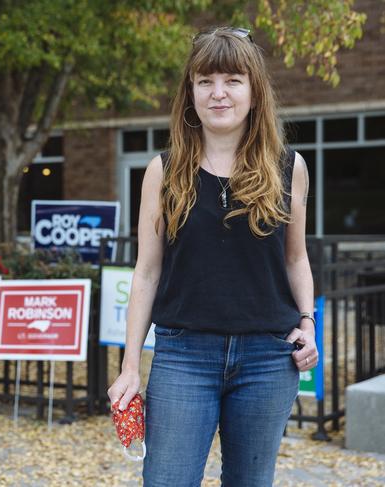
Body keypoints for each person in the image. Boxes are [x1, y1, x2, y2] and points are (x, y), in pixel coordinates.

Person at [107, 27, 319, 487]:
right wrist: (129, 368)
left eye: (232, 80)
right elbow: (146, 273)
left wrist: (307, 322)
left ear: (254, 91)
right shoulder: (163, 172)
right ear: (191, 93)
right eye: (205, 81)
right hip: (184, 355)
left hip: (268, 356)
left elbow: (295, 259)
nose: (218, 93)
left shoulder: (290, 167)